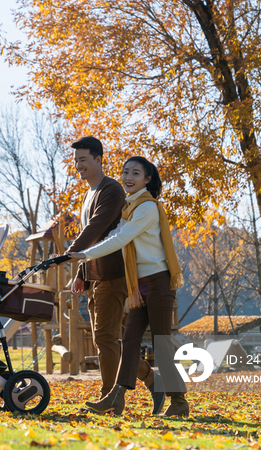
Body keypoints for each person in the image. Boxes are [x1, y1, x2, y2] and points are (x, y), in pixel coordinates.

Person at [67, 156, 189, 417]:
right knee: (130, 340)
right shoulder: (130, 208)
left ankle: (178, 401)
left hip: (158, 282)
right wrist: (84, 254)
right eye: (125, 172)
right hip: (141, 285)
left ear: (148, 179)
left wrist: (84, 254)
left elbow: (122, 238)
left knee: (161, 341)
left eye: (135, 173)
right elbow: (113, 235)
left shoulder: (147, 209)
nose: (128, 177)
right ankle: (116, 396)